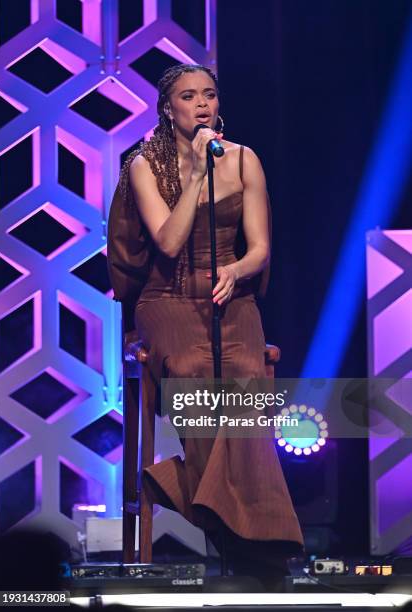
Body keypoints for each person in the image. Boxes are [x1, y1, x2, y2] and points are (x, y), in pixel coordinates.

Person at [109, 64, 303, 590]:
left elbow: (260, 248)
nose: (201, 105)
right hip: (167, 296)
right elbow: (168, 245)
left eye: (210, 95)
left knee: (244, 375)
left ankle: (214, 509)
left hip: (228, 292)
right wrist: (195, 174)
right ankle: (244, 535)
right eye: (189, 97)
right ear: (167, 109)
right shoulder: (145, 166)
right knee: (195, 368)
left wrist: (237, 270)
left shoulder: (245, 160)